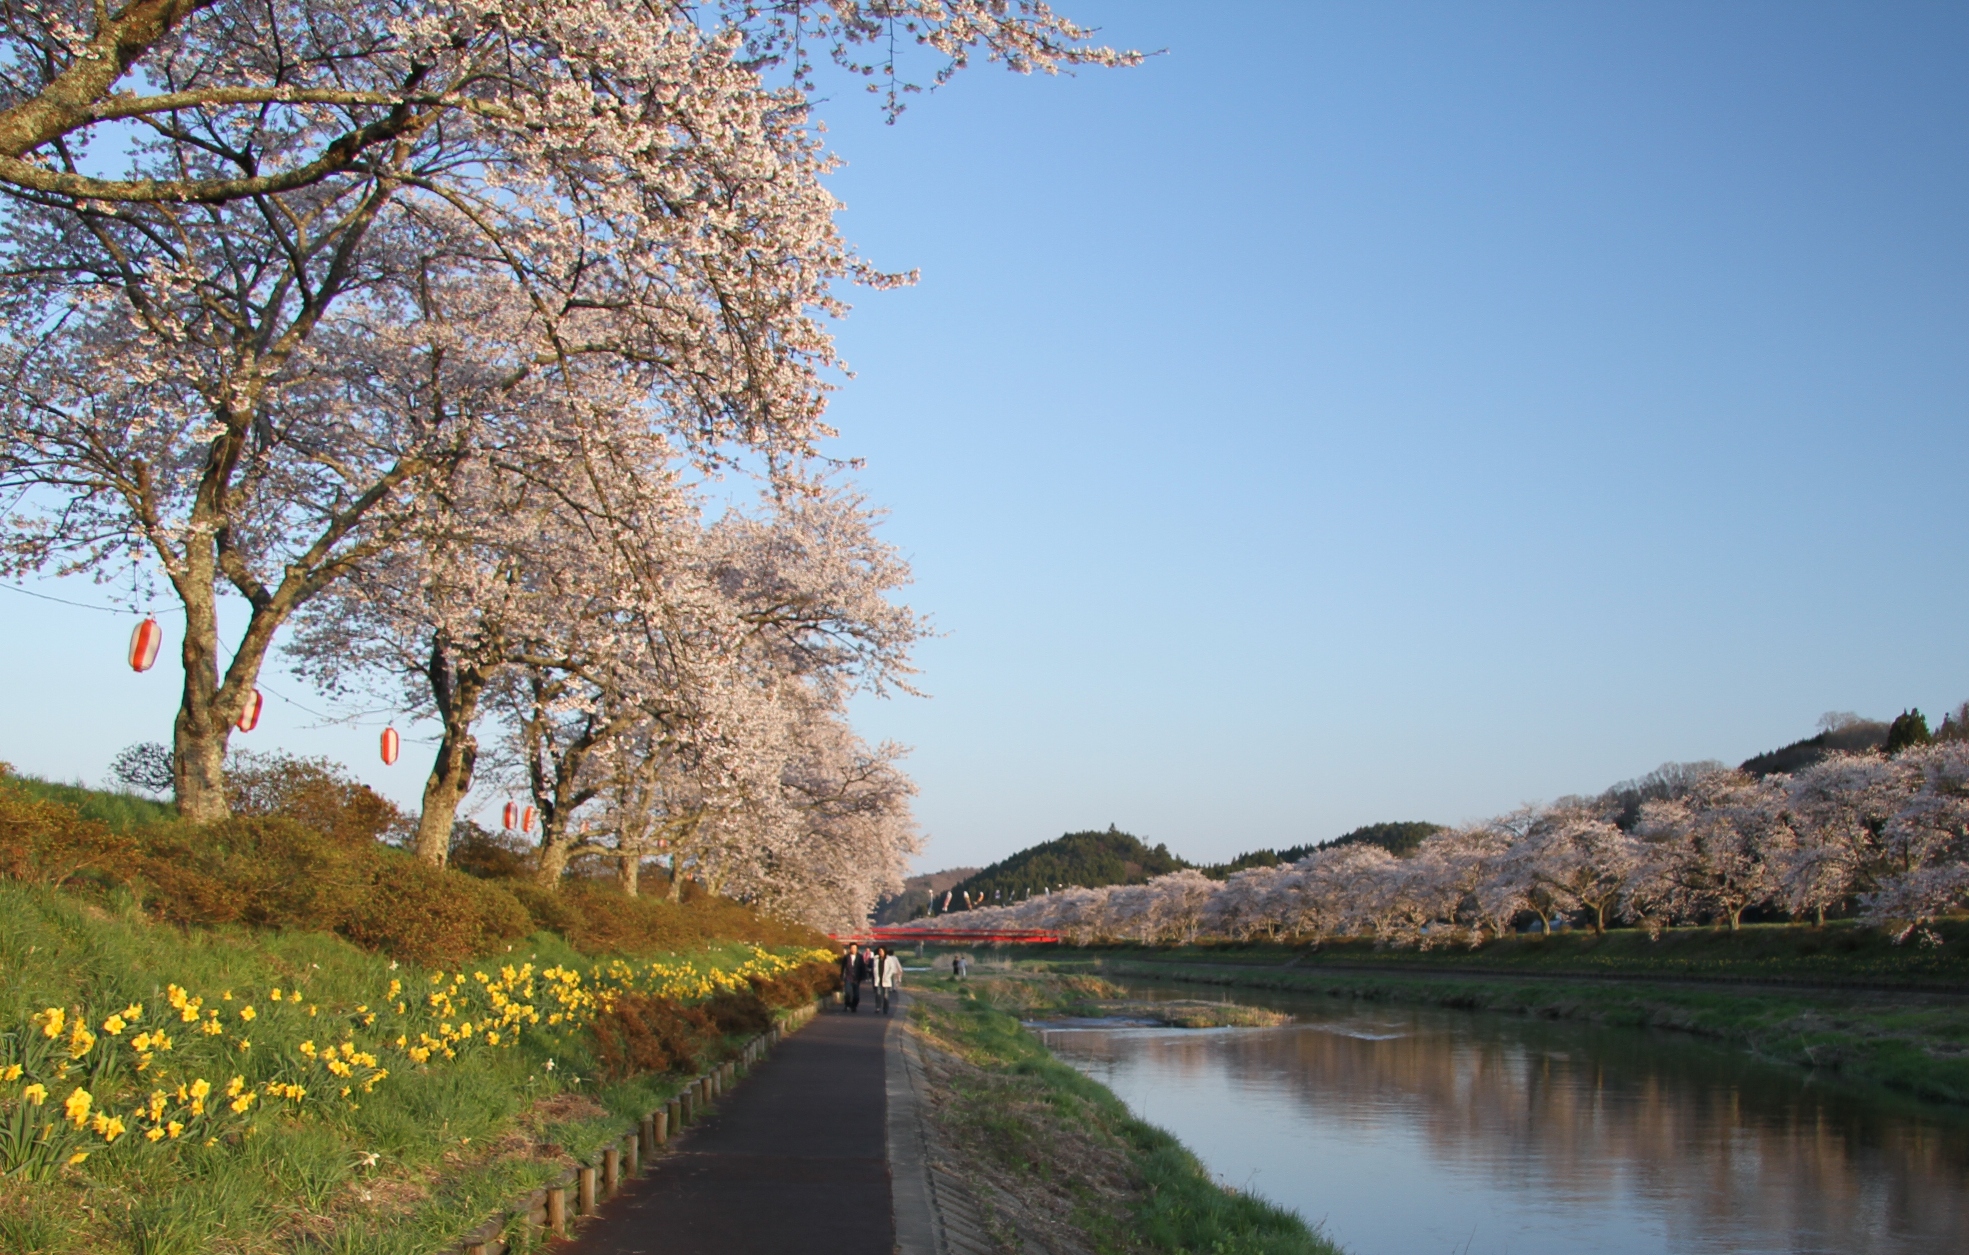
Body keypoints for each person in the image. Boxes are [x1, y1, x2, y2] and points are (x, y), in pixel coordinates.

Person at [877, 947, 903, 1015]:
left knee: (885, 994)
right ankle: (893, 988)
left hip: (888, 975)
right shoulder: (894, 958)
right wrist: (900, 971)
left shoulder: (889, 959)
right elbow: (897, 965)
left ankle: (883, 1008)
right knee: (893, 980)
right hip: (890, 973)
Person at [840, 944, 862, 1013]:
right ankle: (847, 1005)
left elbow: (862, 968)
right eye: (852, 948)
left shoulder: (860, 957)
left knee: (856, 995)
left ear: (857, 949)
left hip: (856, 978)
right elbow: (843, 967)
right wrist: (841, 977)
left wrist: (862, 976)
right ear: (850, 949)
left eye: (855, 948)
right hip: (848, 977)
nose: (853, 949)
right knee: (847, 992)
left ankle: (854, 1006)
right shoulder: (846, 957)